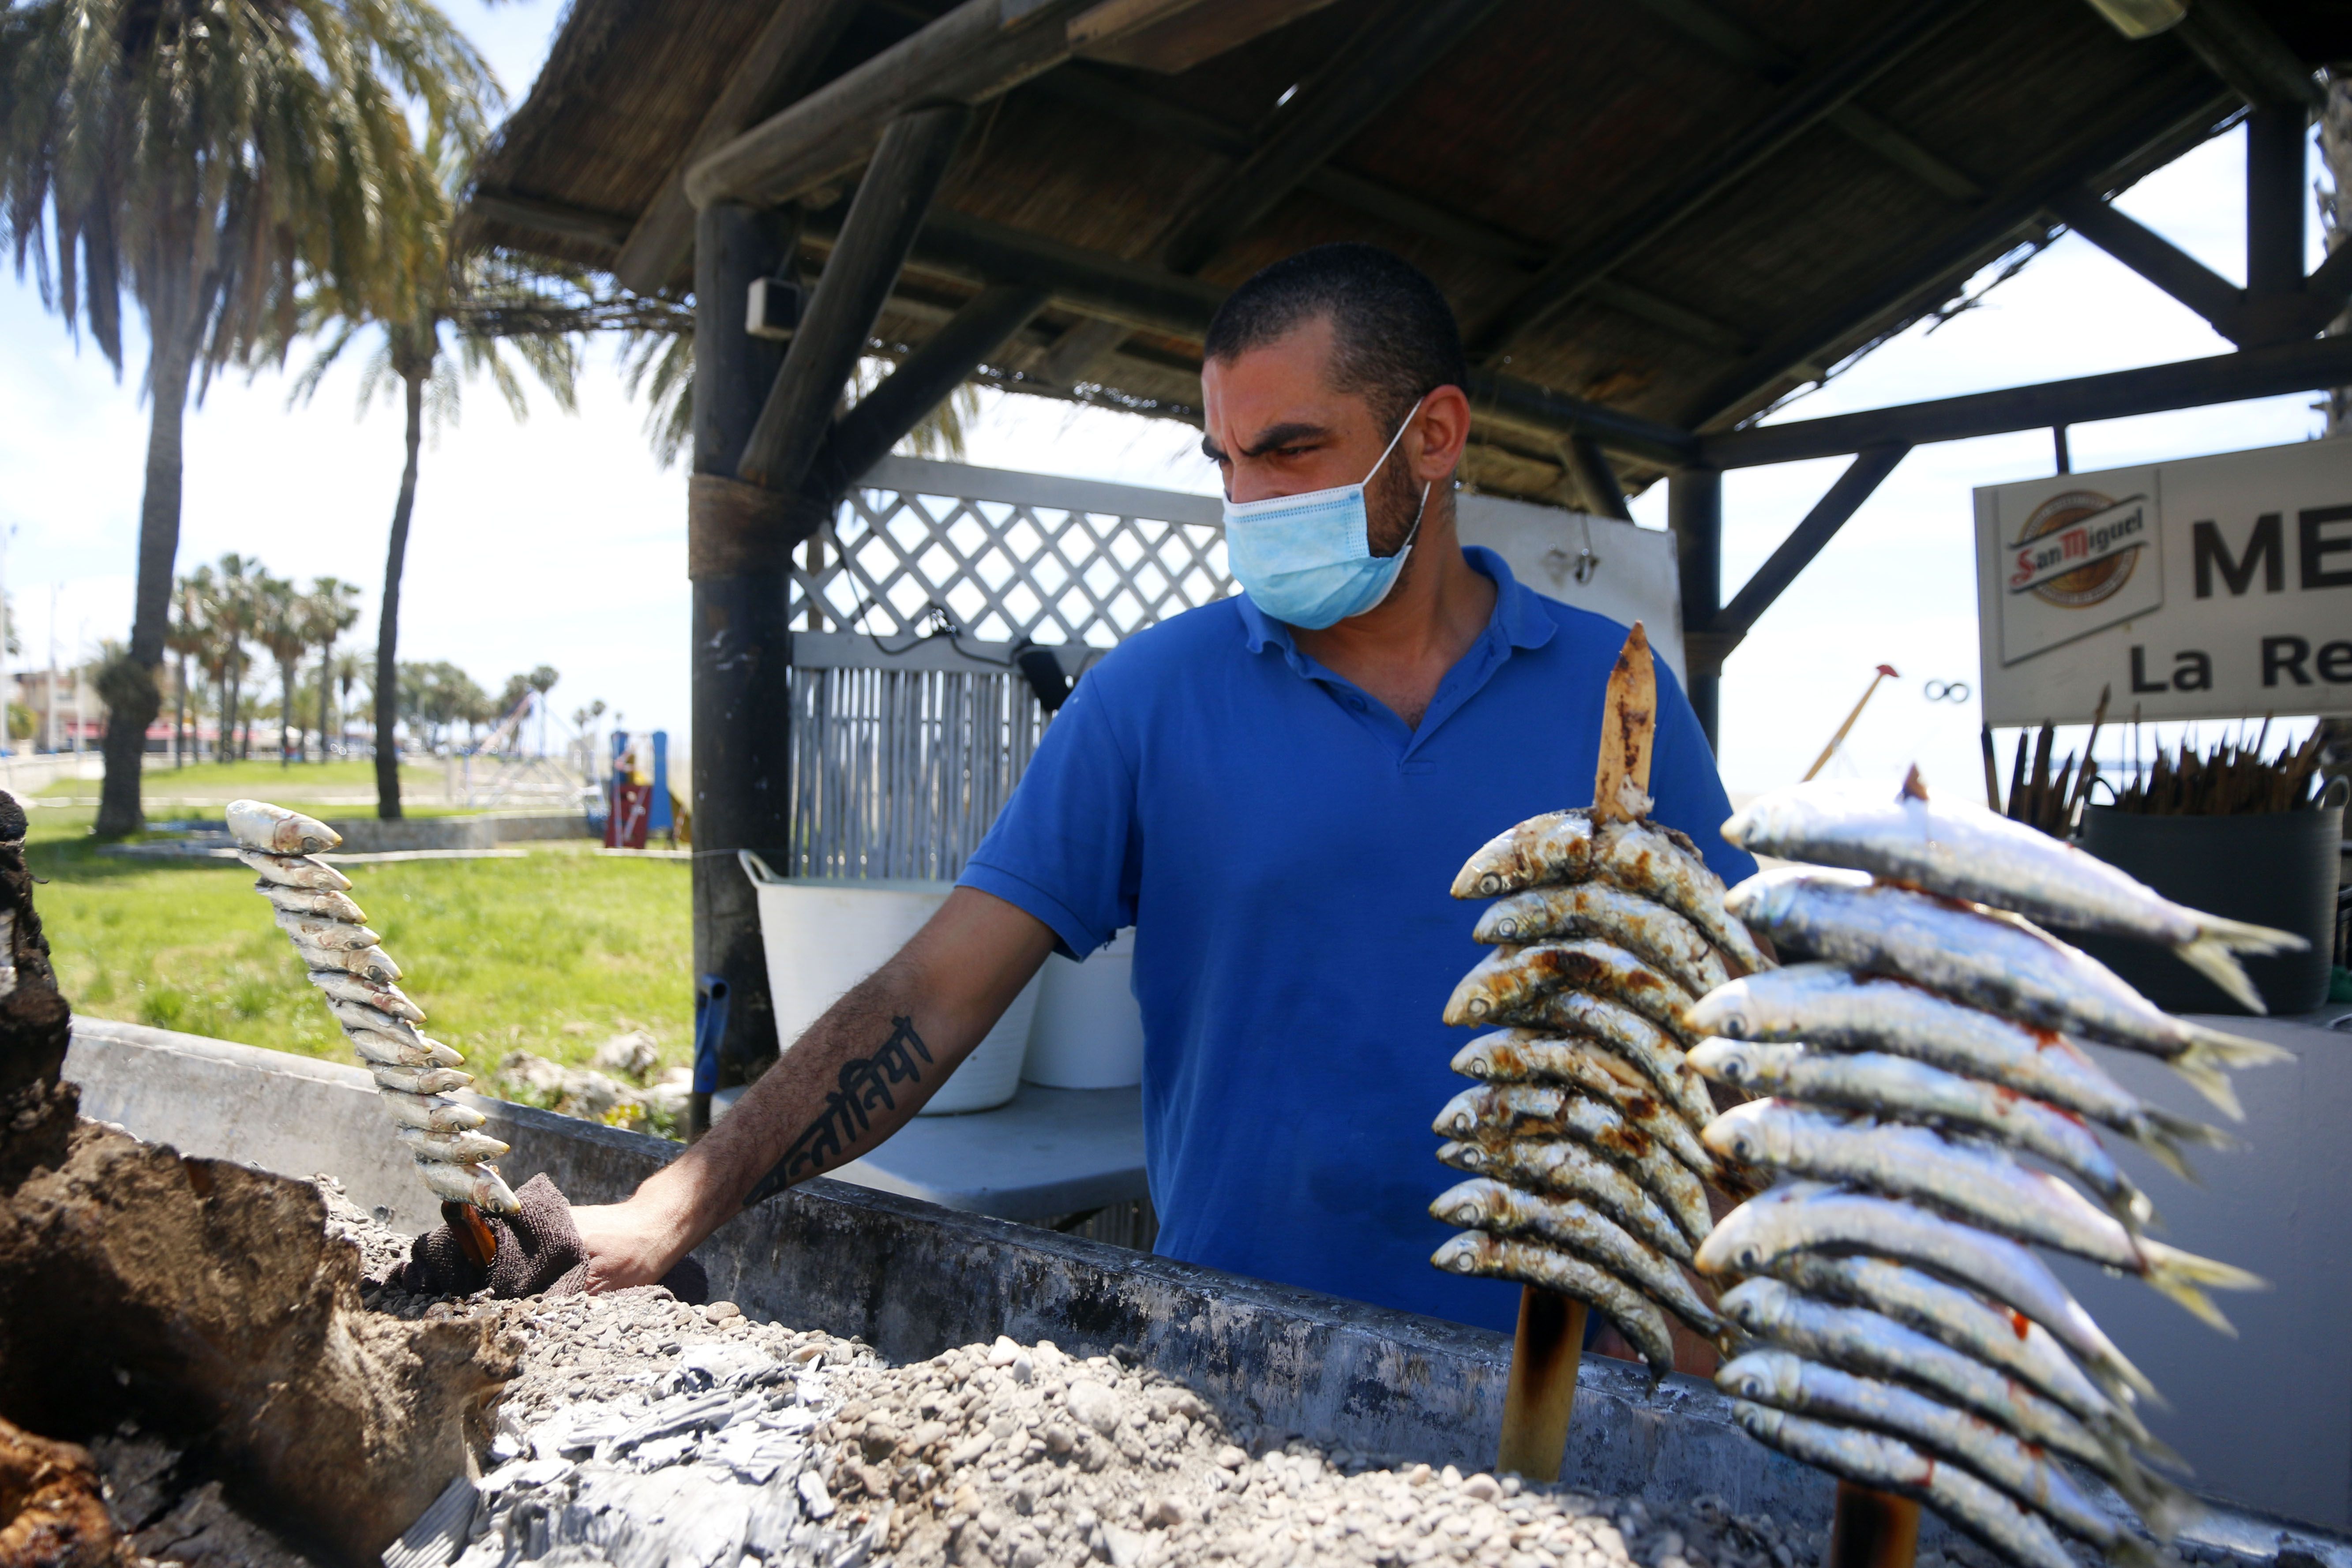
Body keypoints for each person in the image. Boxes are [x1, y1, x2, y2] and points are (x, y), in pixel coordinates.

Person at [574, 243, 1755, 1331]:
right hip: (1237, 1367)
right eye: (1226, 460)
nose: (1248, 500)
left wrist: (1707, 1326)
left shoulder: (1615, 698)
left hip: (1566, 1378)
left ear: (1435, 434)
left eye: (1289, 449)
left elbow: (1724, 1028)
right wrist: (675, 1202)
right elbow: (930, 995)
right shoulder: (1148, 699)